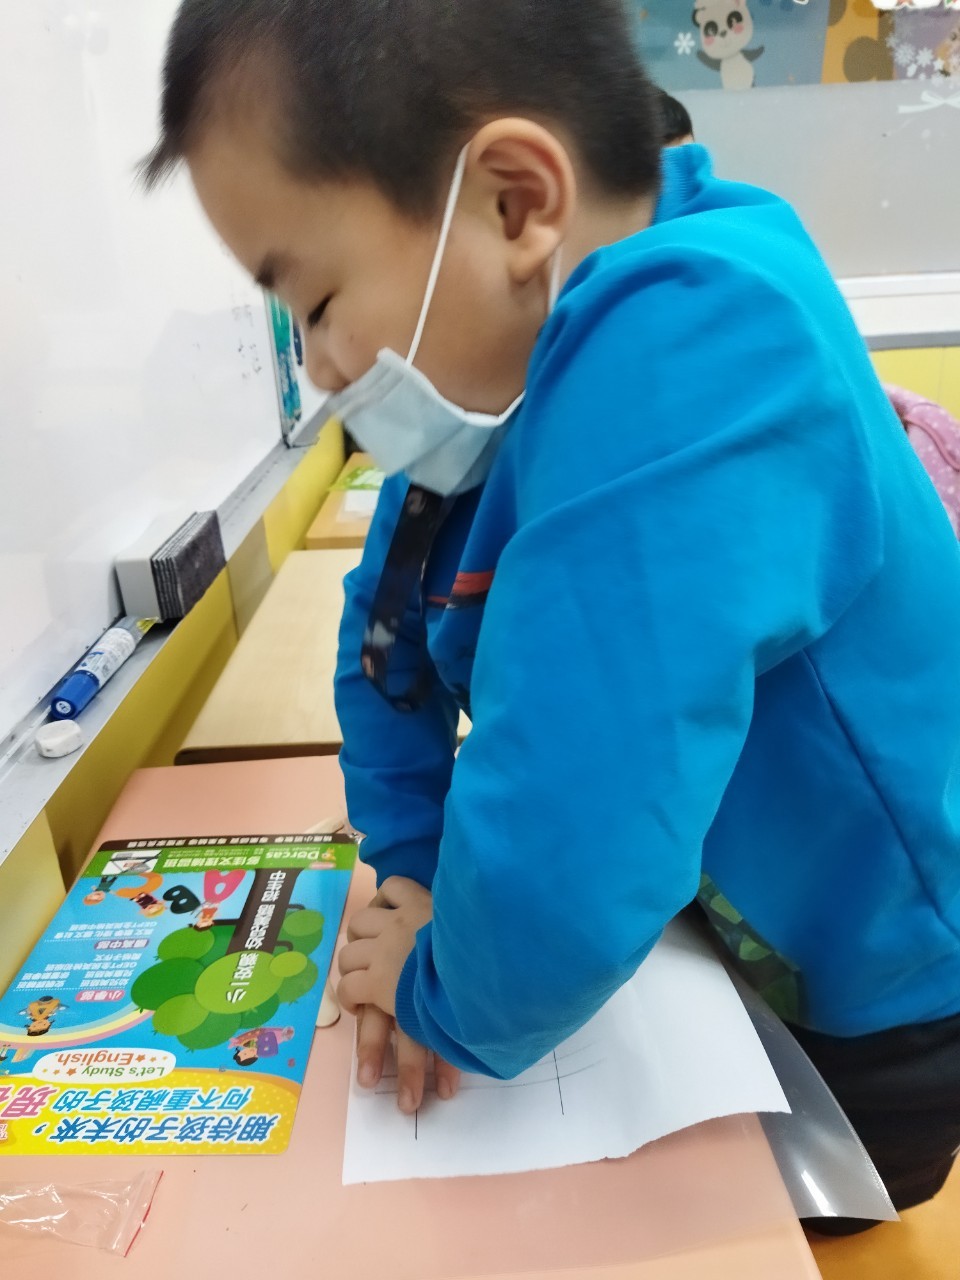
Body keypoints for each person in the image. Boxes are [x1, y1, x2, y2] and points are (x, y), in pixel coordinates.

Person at [143, 0, 960, 1229]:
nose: (314, 368)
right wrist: (414, 869)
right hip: (724, 915)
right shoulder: (505, 380)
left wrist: (439, 993)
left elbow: (577, 797)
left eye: (314, 302)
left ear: (516, 203)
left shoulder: (694, 342)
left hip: (880, 988)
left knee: (755, 1223)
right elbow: (386, 646)